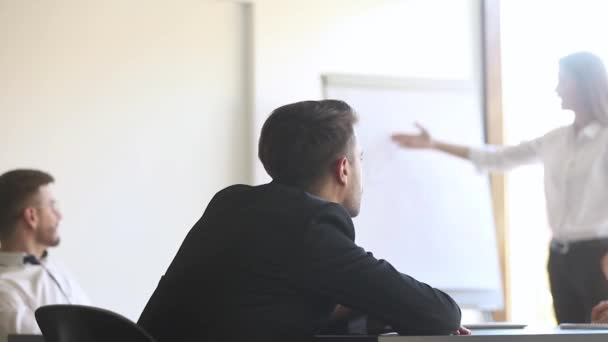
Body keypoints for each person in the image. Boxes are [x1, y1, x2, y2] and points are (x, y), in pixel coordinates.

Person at [138, 100, 467, 342]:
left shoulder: (232, 202)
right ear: (343, 169)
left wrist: (358, 310)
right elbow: (440, 313)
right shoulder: (313, 226)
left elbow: (257, 310)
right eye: (360, 160)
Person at [392, 51, 608, 324]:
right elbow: (498, 157)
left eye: (563, 81)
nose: (557, 89)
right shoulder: (556, 140)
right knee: (567, 334)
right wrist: (434, 144)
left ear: (585, 84)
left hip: (600, 256)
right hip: (560, 257)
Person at [0, 169, 90, 341]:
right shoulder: (4, 293)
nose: (60, 216)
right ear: (31, 216)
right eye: (52, 206)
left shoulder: (56, 267)